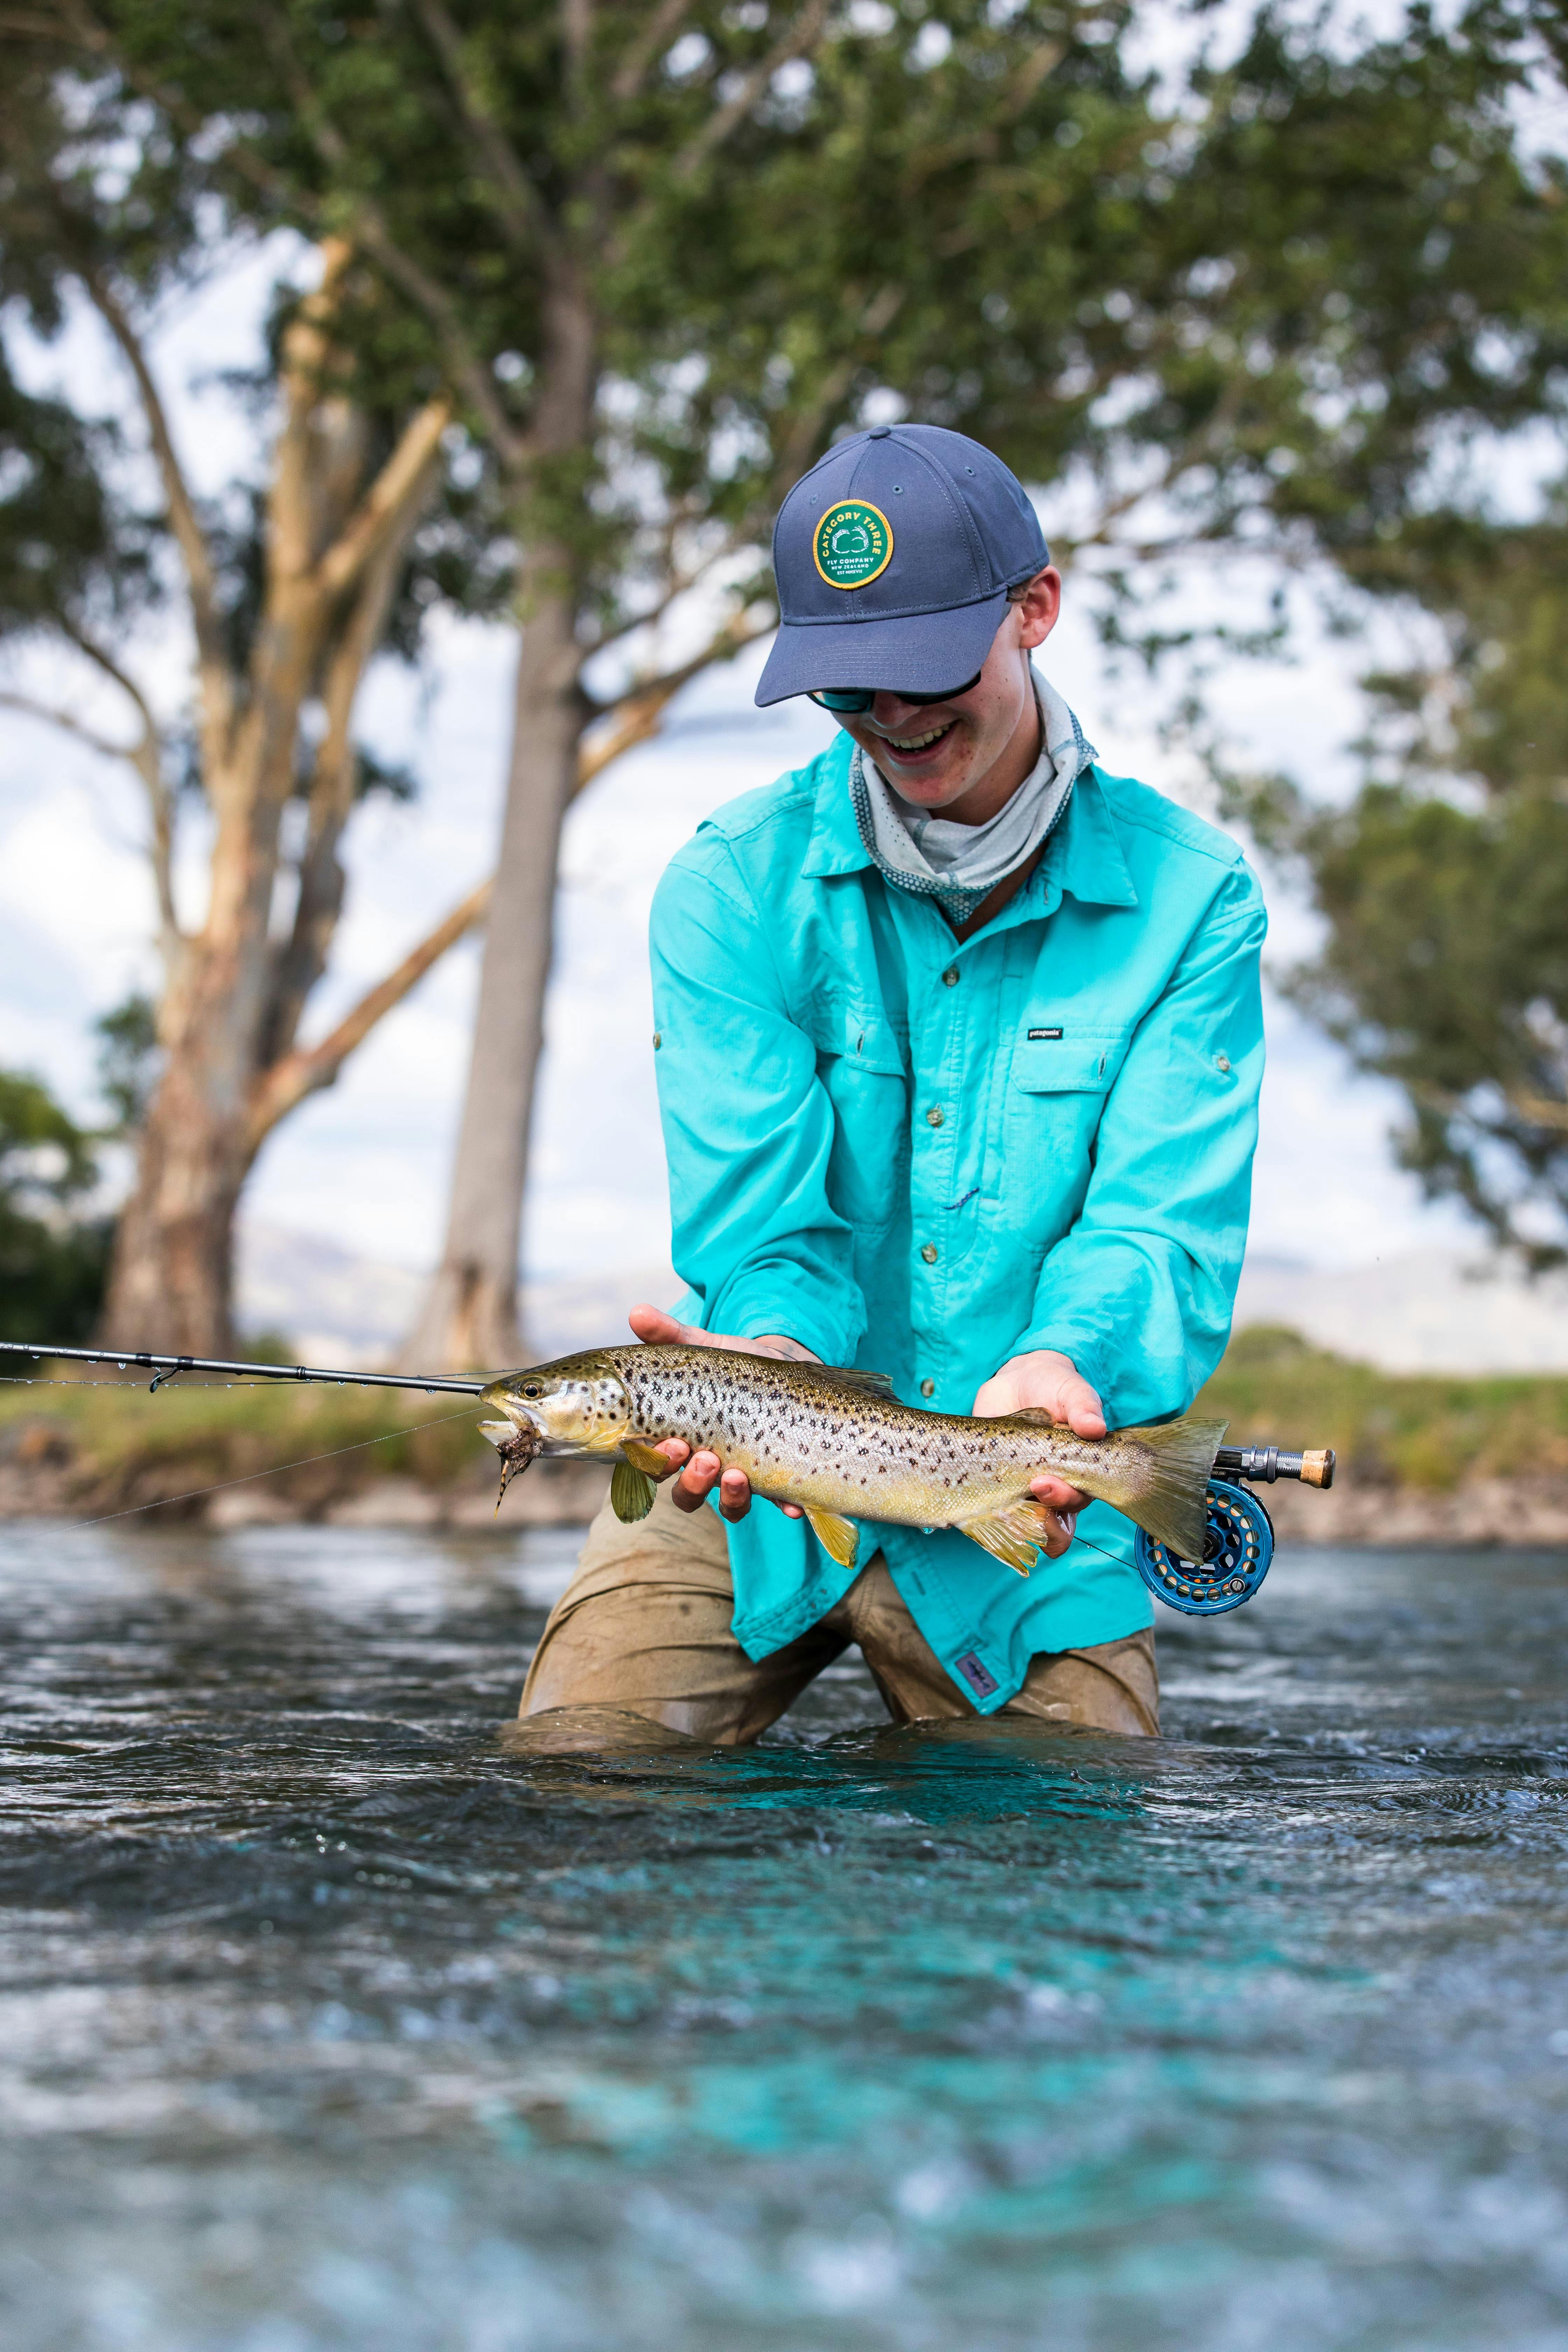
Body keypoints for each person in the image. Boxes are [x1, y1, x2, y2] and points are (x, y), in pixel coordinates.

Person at [516, 424, 1265, 1750]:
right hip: (751, 1514)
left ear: (1036, 609)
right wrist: (773, 1357)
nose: (897, 720)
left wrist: (1069, 1358)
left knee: (1050, 1860)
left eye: (925, 671)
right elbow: (766, 1230)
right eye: (851, 691)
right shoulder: (726, 889)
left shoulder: (1195, 903)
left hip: (1027, 1505)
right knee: (582, 1788)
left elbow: (1160, 1227)